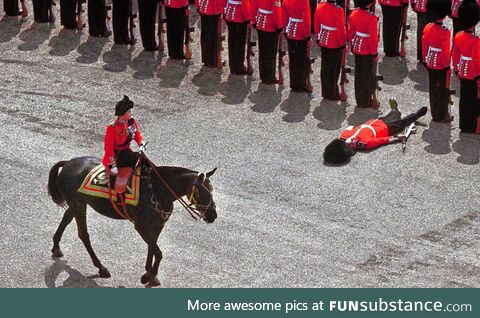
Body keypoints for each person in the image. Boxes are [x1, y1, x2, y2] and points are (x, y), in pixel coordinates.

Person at [323, 100, 428, 164]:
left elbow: (351, 127)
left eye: (348, 145)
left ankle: (395, 109)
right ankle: (417, 115)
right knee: (402, 122)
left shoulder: (344, 137)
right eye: (352, 147)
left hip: (372, 123)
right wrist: (398, 137)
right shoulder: (365, 144)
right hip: (385, 129)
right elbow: (382, 140)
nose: (351, 144)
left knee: (394, 115)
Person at [102, 96, 146, 207]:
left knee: (142, 160)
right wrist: (113, 165)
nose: (131, 113)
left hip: (127, 152)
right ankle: (119, 195)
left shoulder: (130, 122)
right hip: (116, 157)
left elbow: (137, 135)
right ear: (122, 113)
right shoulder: (111, 128)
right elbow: (108, 150)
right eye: (129, 111)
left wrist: (141, 144)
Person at [422, 0, 452, 122]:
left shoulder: (428, 27)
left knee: (432, 87)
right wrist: (446, 66)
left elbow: (424, 45)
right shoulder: (445, 32)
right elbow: (445, 52)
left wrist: (425, 60)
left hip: (430, 61)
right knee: (442, 90)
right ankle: (441, 113)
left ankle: (435, 113)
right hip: (440, 63)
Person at [452, 0, 480, 133]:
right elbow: (477, 61)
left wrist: (457, 69)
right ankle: (472, 125)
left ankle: (464, 124)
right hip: (474, 74)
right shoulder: (477, 41)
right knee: (473, 100)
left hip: (462, 70)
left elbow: (455, 54)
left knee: (464, 99)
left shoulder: (457, 36)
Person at [348, 0, 379, 108]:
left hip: (357, 46)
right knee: (367, 75)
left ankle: (359, 98)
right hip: (367, 49)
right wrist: (374, 52)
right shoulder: (371, 18)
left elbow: (351, 31)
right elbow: (373, 38)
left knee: (359, 74)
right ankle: (365, 101)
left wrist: (352, 45)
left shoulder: (354, 13)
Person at [314, 0, 346, 100]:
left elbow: (316, 24)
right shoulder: (339, 10)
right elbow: (340, 29)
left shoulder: (320, 6)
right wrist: (343, 43)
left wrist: (318, 37)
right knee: (333, 69)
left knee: (325, 67)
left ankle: (326, 92)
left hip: (324, 39)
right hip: (334, 42)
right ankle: (332, 93)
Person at [282, 0, 312, 92]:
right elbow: (306, 21)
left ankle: (294, 83)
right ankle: (301, 84)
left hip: (291, 31)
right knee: (301, 60)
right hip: (301, 33)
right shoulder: (304, 2)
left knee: (293, 59)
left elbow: (284, 18)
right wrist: (307, 36)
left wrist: (286, 31)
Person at [251, 0, 282, 84]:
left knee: (262, 51)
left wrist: (254, 21)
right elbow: (276, 11)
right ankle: (269, 76)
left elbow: (253, 6)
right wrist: (279, 26)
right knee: (270, 53)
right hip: (270, 24)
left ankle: (263, 75)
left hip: (260, 22)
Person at [224, 0, 253, 75]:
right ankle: (239, 67)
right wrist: (248, 19)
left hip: (230, 13)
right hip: (240, 15)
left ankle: (232, 66)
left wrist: (224, 12)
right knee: (239, 44)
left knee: (232, 42)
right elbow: (245, 3)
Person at [195, 0, 227, 67]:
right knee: (213, 37)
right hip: (214, 9)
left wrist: (198, 6)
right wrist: (223, 10)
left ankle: (206, 60)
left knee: (205, 35)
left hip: (204, 8)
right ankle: (213, 61)